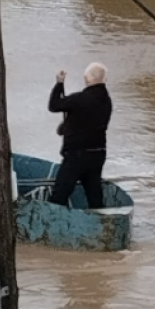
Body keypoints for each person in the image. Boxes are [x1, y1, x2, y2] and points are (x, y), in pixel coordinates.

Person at [48, 63, 113, 209]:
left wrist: (59, 83)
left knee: (59, 195)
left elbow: (54, 105)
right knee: (94, 195)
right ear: (104, 79)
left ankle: (53, 225)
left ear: (88, 79)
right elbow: (88, 121)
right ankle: (100, 225)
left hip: (76, 155)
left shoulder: (79, 99)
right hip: (98, 153)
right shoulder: (107, 102)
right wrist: (66, 126)